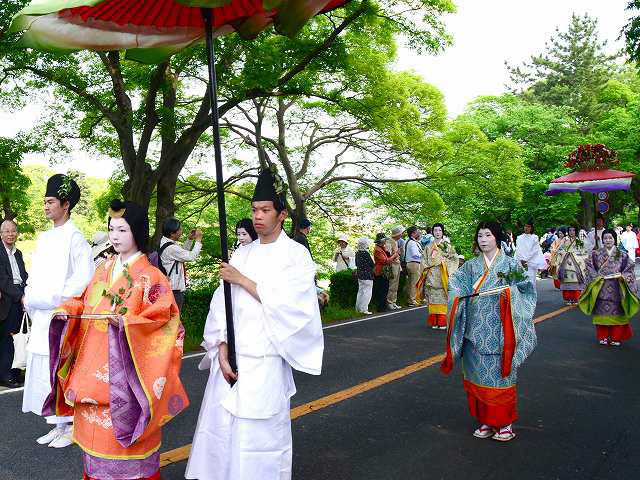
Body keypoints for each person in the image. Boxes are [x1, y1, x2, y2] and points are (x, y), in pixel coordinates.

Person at [186, 168, 323, 480]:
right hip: (232, 358)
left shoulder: (296, 255)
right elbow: (222, 304)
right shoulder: (242, 253)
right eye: (254, 210)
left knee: (259, 437)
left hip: (265, 359)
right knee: (222, 432)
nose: (258, 216)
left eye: (265, 210)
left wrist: (242, 279)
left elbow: (294, 306)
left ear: (282, 214)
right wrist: (221, 347)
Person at [46, 199, 188, 480]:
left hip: (127, 379)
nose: (115, 236)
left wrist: (128, 324)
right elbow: (84, 302)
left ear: (137, 231)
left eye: (122, 230)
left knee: (129, 455)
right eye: (112, 229)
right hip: (91, 374)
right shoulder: (103, 270)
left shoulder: (152, 277)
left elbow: (166, 324)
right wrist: (67, 310)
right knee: (94, 453)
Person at [441, 221, 537, 442]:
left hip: (501, 331)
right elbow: (456, 286)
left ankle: (504, 423)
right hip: (474, 331)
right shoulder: (470, 266)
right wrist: (458, 297)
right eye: (480, 236)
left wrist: (510, 294)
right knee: (477, 374)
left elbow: (527, 291)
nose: (483, 240)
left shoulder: (511, 265)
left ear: (497, 237)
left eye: (488, 235)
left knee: (500, 377)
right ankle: (485, 420)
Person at [22, 174, 94, 448]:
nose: (46, 206)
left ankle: (71, 425)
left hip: (60, 314)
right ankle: (57, 423)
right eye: (45, 201)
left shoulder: (75, 237)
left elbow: (83, 277)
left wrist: (56, 300)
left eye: (51, 201)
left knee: (62, 367)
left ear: (66, 204)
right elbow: (35, 273)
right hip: (41, 313)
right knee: (44, 369)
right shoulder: (44, 237)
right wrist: (30, 295)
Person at [580, 229, 639, 347]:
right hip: (600, 286)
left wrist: (623, 276)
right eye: (605, 238)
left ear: (614, 239)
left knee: (618, 313)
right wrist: (597, 277)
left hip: (617, 287)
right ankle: (603, 336)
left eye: (610, 238)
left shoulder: (622, 254)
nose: (608, 240)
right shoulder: (595, 254)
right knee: (602, 313)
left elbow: (629, 270)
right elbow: (589, 268)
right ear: (602, 240)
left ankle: (616, 337)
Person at [0, 219, 28, 388]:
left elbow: (23, 275)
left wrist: (29, 291)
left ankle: (16, 372)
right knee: (8, 338)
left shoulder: (18, 253)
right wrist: (20, 296)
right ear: (1, 234)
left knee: (19, 336)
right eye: (7, 231)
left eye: (13, 231)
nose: (10, 234)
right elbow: (2, 280)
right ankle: (5, 375)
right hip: (7, 297)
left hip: (20, 293)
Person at [419, 223, 459, 329]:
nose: (437, 232)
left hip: (443, 273)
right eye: (435, 230)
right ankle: (434, 321)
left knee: (442, 297)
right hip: (431, 274)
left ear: (442, 232)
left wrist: (445, 265)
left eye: (440, 230)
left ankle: (442, 321)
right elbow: (423, 260)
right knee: (432, 296)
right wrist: (427, 269)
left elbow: (454, 259)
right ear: (432, 232)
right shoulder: (428, 247)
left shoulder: (447, 246)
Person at [159, 218, 203, 312]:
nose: (181, 232)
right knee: (174, 317)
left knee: (171, 317)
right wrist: (198, 240)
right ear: (172, 233)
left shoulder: (165, 242)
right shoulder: (171, 248)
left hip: (169, 287)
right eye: (179, 230)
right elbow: (191, 256)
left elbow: (181, 255)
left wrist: (189, 240)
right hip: (174, 290)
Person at [556, 226, 588, 305]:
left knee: (575, 281)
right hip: (566, 263)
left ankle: (576, 298)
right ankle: (568, 298)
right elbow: (559, 251)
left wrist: (574, 255)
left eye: (573, 230)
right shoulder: (565, 241)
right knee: (567, 281)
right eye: (570, 230)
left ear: (576, 231)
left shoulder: (579, 242)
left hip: (576, 264)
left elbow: (584, 253)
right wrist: (565, 253)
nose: (572, 232)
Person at [515, 220, 546, 285]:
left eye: (528, 226)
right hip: (520, 262)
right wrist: (521, 260)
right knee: (521, 283)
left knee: (531, 282)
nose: (526, 228)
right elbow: (517, 250)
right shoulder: (519, 238)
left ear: (531, 228)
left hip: (531, 263)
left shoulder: (534, 237)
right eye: (525, 226)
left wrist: (526, 259)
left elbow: (534, 251)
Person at [372, 233, 397, 312]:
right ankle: (381, 307)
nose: (386, 241)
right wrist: (394, 256)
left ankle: (383, 306)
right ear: (381, 241)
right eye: (384, 240)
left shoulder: (381, 248)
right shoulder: (378, 249)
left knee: (385, 289)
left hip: (383, 272)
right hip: (380, 272)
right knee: (382, 290)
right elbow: (385, 261)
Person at [404, 226, 423, 306]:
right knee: (414, 282)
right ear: (413, 233)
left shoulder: (410, 242)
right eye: (417, 232)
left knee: (411, 282)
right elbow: (415, 254)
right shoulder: (412, 242)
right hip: (414, 263)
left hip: (411, 263)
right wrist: (423, 255)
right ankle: (412, 300)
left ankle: (410, 299)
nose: (418, 233)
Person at [355, 237, 374, 315]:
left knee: (360, 291)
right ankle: (364, 309)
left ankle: (358, 308)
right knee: (367, 292)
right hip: (367, 275)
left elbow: (356, 264)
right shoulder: (366, 253)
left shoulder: (357, 253)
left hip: (360, 274)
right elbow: (372, 264)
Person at [385, 227, 403, 310]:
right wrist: (397, 253)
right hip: (392, 265)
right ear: (397, 234)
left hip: (397, 264)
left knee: (396, 284)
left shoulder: (395, 241)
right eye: (400, 233)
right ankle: (389, 302)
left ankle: (393, 301)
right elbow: (388, 255)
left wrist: (398, 253)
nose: (401, 235)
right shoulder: (389, 241)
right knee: (392, 284)